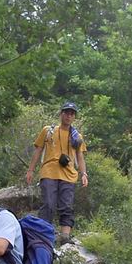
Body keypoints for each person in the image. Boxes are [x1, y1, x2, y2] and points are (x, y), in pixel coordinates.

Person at [26, 101, 88, 245]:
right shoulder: (48, 130)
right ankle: (42, 235)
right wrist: (30, 170)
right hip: (49, 172)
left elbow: (80, 156)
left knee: (66, 205)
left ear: (74, 117)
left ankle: (64, 237)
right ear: (61, 114)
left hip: (69, 175)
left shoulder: (77, 136)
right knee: (48, 204)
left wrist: (84, 174)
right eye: (66, 113)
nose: (68, 116)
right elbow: (38, 150)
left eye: (72, 114)